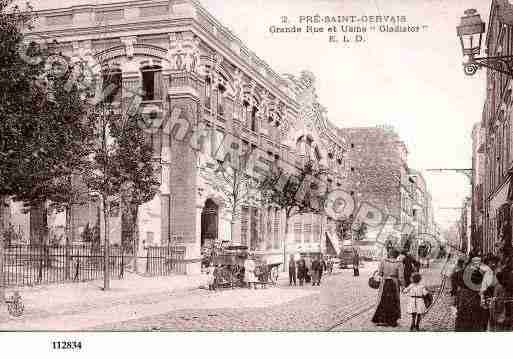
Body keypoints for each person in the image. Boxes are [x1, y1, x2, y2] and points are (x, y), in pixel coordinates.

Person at [371, 248, 405, 327]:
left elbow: (379, 273)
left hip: (385, 282)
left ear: (389, 254)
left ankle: (381, 319)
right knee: (394, 301)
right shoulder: (399, 263)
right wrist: (403, 286)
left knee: (383, 300)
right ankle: (392, 320)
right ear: (397, 255)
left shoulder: (383, 261)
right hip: (394, 282)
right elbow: (401, 277)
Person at [453, 257, 488, 331]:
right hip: (472, 301)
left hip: (465, 302)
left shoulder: (460, 274)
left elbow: (454, 276)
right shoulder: (477, 274)